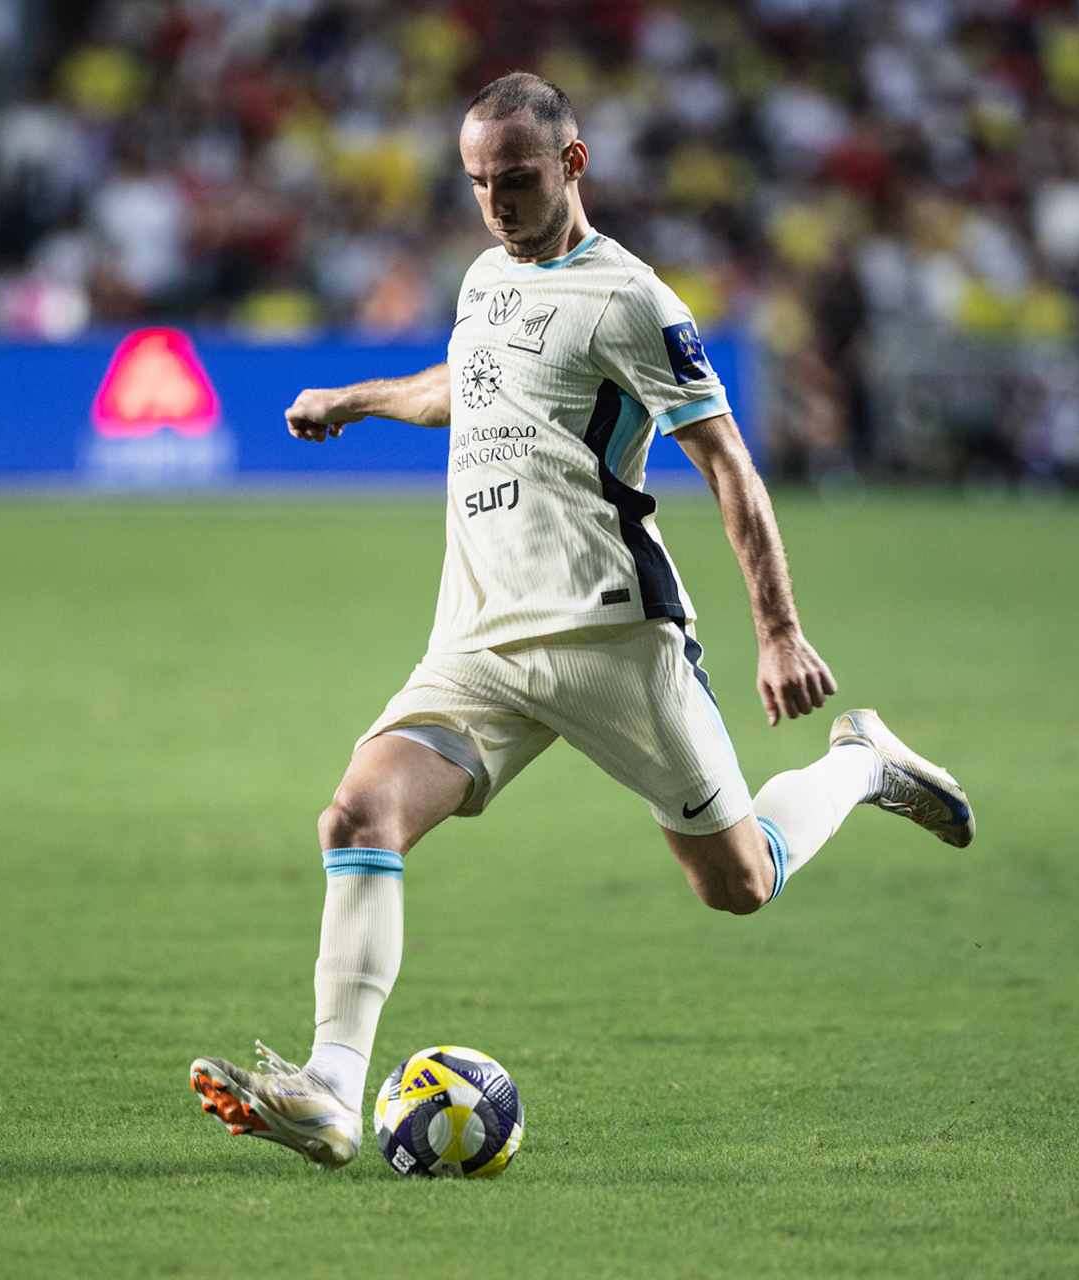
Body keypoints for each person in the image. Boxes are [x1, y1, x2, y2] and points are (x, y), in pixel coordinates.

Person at [189, 73, 976, 1169]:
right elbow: (470, 382)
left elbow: (729, 465)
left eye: (514, 179)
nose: (496, 203)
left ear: (572, 163)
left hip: (611, 636)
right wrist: (359, 397)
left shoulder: (633, 302)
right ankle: (328, 1084)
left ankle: (860, 762)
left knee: (738, 883)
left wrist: (781, 630)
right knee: (357, 818)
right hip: (475, 640)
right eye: (476, 184)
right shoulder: (482, 277)